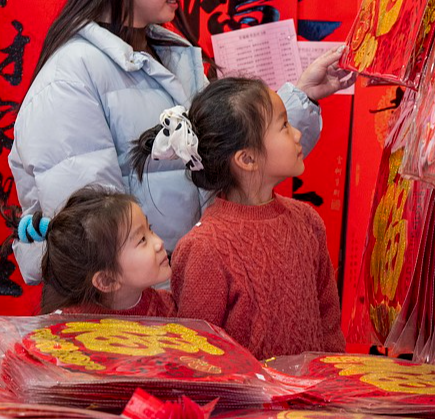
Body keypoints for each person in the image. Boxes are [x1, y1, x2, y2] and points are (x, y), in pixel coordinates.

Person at [9, 0, 349, 285]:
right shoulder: (69, 79)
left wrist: (303, 96)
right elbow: (96, 233)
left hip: (186, 293)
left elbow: (231, 153)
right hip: (131, 313)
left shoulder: (173, 57)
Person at [131, 77, 346, 359]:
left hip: (311, 400)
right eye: (284, 125)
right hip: (244, 403)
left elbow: (329, 323)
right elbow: (198, 358)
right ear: (247, 159)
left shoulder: (307, 221)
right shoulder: (204, 247)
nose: (296, 134)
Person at [17, 185, 174, 316]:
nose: (159, 243)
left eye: (150, 229)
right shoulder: (66, 331)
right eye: (142, 240)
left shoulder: (168, 310)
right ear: (106, 280)